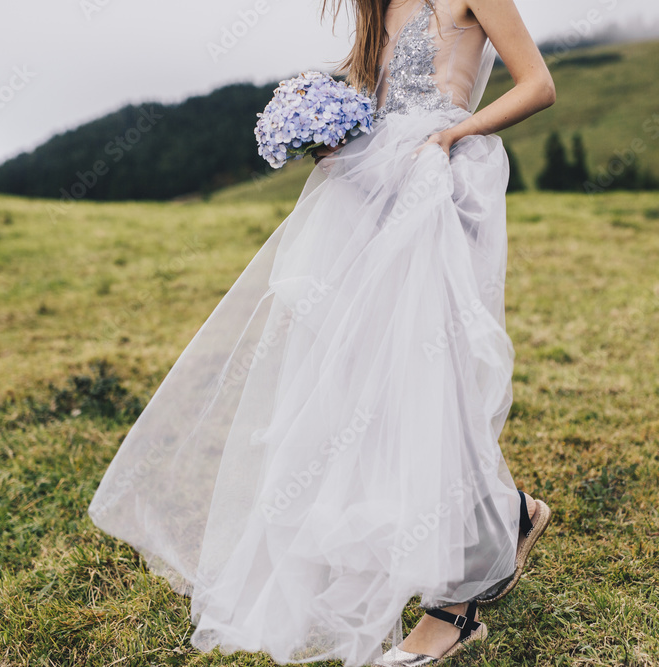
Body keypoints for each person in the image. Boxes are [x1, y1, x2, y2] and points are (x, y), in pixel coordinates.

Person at [87, 0, 557, 665]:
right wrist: (326, 125)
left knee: (429, 376)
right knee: (366, 380)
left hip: (437, 184)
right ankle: (507, 511)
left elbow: (539, 83)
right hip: (368, 189)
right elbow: (377, 97)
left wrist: (452, 137)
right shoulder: (376, 9)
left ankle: (456, 605)